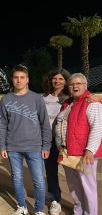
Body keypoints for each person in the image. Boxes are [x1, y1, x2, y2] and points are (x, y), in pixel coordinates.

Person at [0, 64, 51, 215]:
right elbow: (2, 125)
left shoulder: (36, 99)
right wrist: (2, 146)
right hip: (13, 147)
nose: (19, 80)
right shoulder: (6, 99)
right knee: (17, 179)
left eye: (22, 78)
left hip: (35, 147)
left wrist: (46, 146)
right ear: (12, 79)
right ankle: (22, 206)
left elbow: (44, 123)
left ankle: (39, 209)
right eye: (16, 77)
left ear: (27, 80)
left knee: (39, 181)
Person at [55, 73, 102, 215]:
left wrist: (90, 150)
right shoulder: (68, 103)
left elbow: (97, 128)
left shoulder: (91, 102)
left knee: (88, 187)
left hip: (84, 154)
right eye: (71, 84)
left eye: (78, 83)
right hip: (68, 152)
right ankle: (79, 210)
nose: (75, 86)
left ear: (85, 85)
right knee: (74, 186)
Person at [41, 68, 71, 215]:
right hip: (48, 141)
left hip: (66, 142)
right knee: (50, 170)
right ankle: (55, 199)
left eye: (60, 79)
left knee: (70, 173)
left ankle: (78, 201)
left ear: (66, 81)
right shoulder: (44, 98)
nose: (57, 81)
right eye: (54, 78)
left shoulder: (70, 98)